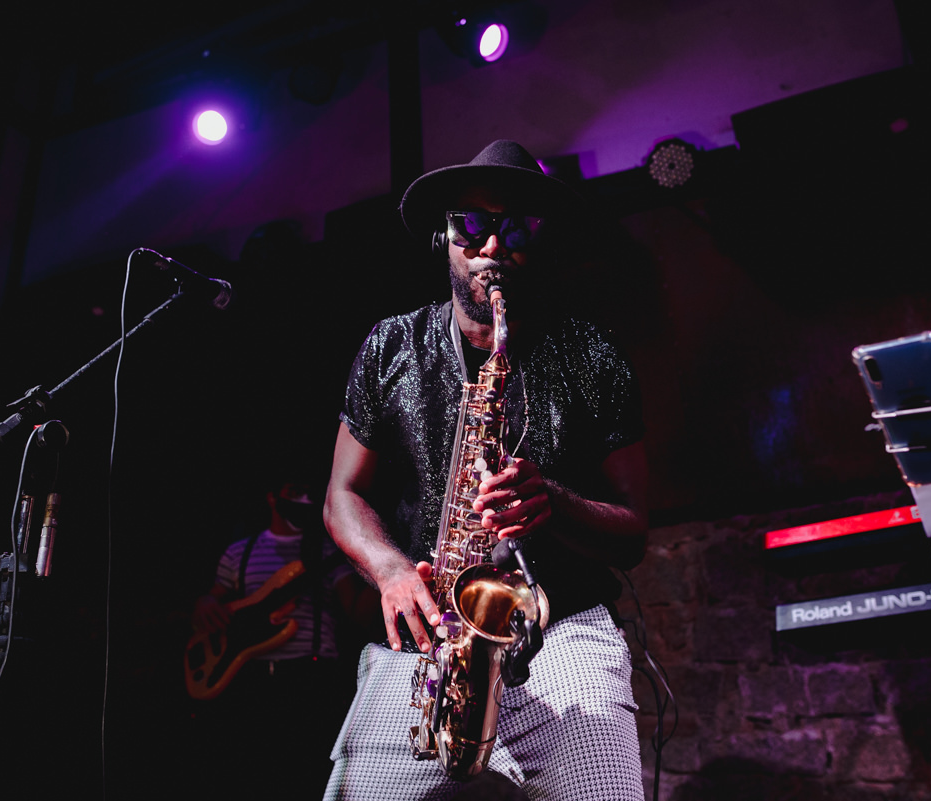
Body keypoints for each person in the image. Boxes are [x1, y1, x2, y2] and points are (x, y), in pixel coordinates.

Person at [322, 139, 649, 801]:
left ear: (541, 238)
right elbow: (342, 494)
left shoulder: (593, 352)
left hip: (564, 629)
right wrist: (388, 570)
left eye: (516, 226)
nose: (492, 246)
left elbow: (635, 528)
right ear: (444, 236)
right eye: (471, 224)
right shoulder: (391, 346)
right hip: (430, 631)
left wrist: (551, 501)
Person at [189, 478, 379, 801]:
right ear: (272, 497)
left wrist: (381, 574)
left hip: (309, 679)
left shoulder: (326, 551)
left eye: (307, 491)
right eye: (293, 492)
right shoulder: (240, 552)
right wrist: (205, 603)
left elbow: (358, 612)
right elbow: (212, 603)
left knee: (303, 778)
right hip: (250, 681)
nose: (303, 498)